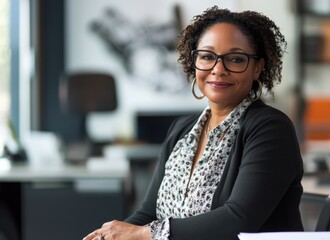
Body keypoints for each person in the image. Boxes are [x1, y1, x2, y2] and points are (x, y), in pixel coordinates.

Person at [83, 6, 303, 240]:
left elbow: (238, 219)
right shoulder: (182, 130)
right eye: (207, 57)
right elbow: (148, 212)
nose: (218, 69)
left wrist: (143, 234)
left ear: (257, 67)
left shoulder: (270, 129)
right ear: (194, 62)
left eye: (236, 59)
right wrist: (109, 235)